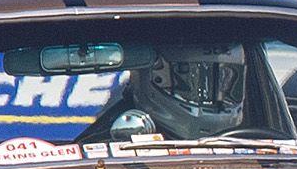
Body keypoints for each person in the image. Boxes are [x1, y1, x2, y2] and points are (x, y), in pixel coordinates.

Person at [90, 44, 252, 141]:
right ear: (157, 78)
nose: (216, 99)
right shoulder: (112, 138)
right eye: (198, 81)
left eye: (228, 79)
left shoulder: (258, 141)